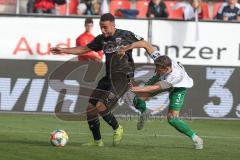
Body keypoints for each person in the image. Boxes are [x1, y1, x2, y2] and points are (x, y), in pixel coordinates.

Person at [50, 13, 144, 146]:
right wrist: (64, 50)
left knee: (101, 106)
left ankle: (117, 128)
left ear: (113, 25)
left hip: (122, 78)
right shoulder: (101, 39)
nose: (103, 30)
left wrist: (129, 47)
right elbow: (84, 49)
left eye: (105, 27)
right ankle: (97, 142)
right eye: (101, 27)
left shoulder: (126, 35)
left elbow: (144, 43)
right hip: (108, 77)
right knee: (90, 108)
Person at [118, 41, 204, 150]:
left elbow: (155, 87)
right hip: (163, 79)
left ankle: (196, 138)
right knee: (138, 99)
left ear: (167, 69)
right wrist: (126, 48)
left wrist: (136, 88)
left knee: (172, 119)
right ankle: (143, 112)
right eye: (156, 68)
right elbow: (145, 44)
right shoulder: (162, 61)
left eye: (159, 70)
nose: (156, 71)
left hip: (178, 88)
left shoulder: (175, 76)